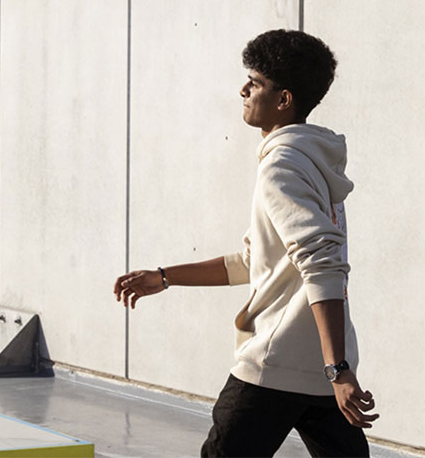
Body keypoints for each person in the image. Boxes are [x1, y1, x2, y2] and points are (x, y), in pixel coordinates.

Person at [113, 29, 378, 457]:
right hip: (316, 370)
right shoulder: (312, 163)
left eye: (254, 82)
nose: (243, 89)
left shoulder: (283, 166)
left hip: (276, 368)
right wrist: (164, 278)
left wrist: (340, 369)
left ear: (284, 99)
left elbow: (322, 264)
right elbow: (254, 262)